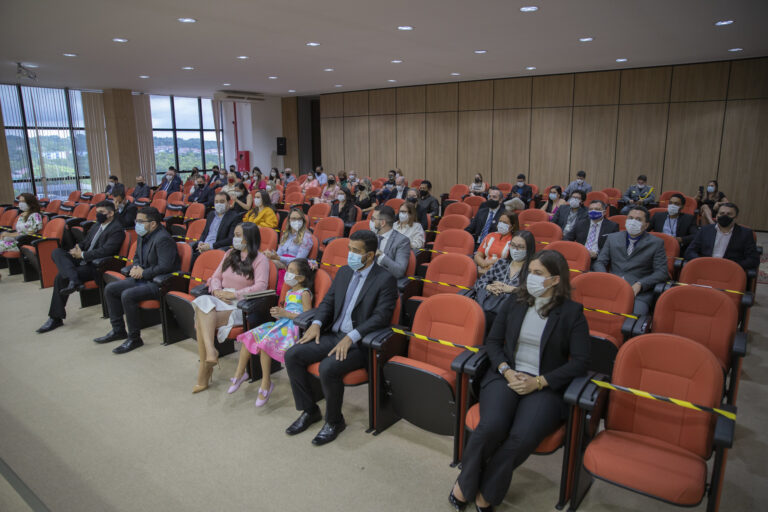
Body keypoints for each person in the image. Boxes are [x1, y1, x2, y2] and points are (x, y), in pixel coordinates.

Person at [450, 250, 590, 512]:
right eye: (531, 273)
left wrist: (539, 382)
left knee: (522, 437)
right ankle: (465, 483)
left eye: (539, 274)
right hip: (506, 374)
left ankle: (488, 490)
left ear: (556, 280)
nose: (531, 278)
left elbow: (580, 362)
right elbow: (492, 342)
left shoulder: (572, 313)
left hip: (544, 385)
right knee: (491, 426)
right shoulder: (515, 301)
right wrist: (505, 370)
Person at [284, 230, 397, 445]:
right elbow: (328, 302)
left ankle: (334, 421)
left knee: (328, 367)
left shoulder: (385, 279)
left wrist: (352, 336)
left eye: (357, 251)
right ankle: (309, 410)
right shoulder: (344, 272)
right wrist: (316, 324)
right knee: (293, 355)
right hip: (333, 334)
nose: (351, 254)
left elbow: (381, 317)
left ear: (370, 255)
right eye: (350, 249)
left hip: (359, 343)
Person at [191, 223, 270, 393]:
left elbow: (261, 287)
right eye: (234, 234)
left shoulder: (260, 259)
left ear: (249, 238)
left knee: (202, 317)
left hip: (241, 304)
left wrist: (235, 294)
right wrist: (217, 290)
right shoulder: (229, 253)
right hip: (220, 299)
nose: (235, 238)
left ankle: (204, 371)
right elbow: (215, 277)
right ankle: (211, 352)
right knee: (204, 301)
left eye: (238, 235)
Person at [230, 258, 316, 404]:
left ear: (301, 278)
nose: (287, 273)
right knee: (249, 336)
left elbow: (308, 315)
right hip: (281, 324)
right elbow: (286, 311)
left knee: (265, 344)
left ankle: (266, 383)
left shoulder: (304, 293)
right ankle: (240, 373)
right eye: (287, 269)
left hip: (293, 328)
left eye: (290, 271)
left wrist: (286, 314)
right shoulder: (289, 292)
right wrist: (278, 313)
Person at [96, 207, 180, 353]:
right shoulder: (143, 235)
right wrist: (135, 268)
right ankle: (118, 330)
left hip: (159, 282)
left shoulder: (163, 239)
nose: (137, 224)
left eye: (141, 221)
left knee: (127, 295)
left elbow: (165, 267)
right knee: (110, 289)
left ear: (153, 224)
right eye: (137, 221)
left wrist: (143, 272)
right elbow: (136, 257)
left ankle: (134, 338)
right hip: (143, 278)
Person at [36, 201, 125, 334]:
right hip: (83, 258)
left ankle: (55, 317)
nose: (98, 215)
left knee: (61, 277)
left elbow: (106, 251)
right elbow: (86, 242)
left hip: (96, 265)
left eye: (102, 212)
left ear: (111, 213)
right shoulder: (97, 225)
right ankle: (74, 280)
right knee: (57, 252)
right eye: (97, 212)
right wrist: (77, 249)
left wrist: (82, 255)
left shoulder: (117, 229)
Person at [593, 206, 668, 315]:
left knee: (632, 320)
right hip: (612, 285)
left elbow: (662, 272)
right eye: (631, 218)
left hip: (638, 292)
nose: (633, 222)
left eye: (638, 220)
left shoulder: (656, 243)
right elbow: (600, 262)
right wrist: (606, 278)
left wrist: (640, 284)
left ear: (646, 225)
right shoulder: (613, 238)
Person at [467, 230, 535, 331]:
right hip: (490, 306)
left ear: (529, 249)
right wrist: (488, 287)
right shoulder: (502, 263)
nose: (515, 250)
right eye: (513, 245)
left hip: (511, 312)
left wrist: (511, 289)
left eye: (520, 247)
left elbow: (533, 296)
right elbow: (479, 283)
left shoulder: (533, 269)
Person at [684, 203, 759, 271]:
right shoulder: (705, 230)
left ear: (736, 218)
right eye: (722, 213)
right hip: (705, 267)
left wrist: (733, 266)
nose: (725, 216)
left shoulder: (746, 233)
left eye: (729, 214)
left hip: (730, 271)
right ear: (717, 216)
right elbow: (690, 251)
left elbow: (753, 259)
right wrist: (701, 262)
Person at [370, 205, 411, 280]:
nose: (371, 221)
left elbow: (399, 271)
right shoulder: (370, 236)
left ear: (382, 223)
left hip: (385, 281)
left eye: (373, 219)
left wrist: (381, 256)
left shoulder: (402, 241)